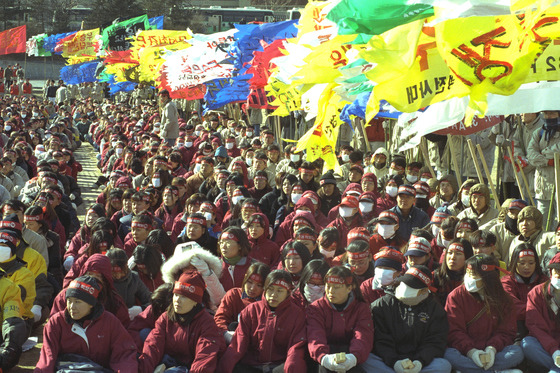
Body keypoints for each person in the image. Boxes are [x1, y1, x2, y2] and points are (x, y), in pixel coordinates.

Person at [36, 275, 138, 372]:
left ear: (91, 304)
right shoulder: (56, 323)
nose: (72, 306)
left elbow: (124, 354)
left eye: (77, 302)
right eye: (69, 301)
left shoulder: (110, 322)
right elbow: (47, 357)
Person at [363, 265, 452, 372]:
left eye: (412, 286)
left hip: (420, 363)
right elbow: (380, 340)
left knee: (443, 365)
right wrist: (394, 362)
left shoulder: (435, 310)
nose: (405, 287)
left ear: (424, 291)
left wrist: (419, 362)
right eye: (405, 283)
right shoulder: (381, 305)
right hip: (389, 361)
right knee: (367, 360)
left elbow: (435, 342)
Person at [444, 254, 524, 373]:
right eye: (468, 273)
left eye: (474, 275)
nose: (469, 278)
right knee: (448, 354)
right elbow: (454, 331)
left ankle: (473, 370)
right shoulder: (455, 296)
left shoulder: (504, 298)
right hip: (465, 351)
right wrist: (472, 352)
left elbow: (506, 331)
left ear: (487, 278)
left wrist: (492, 349)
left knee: (517, 353)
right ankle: (494, 371)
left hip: (494, 352)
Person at [218, 270, 307, 373]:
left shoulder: (296, 314)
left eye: (279, 291)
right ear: (265, 289)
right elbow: (238, 344)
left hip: (279, 365)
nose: (273, 295)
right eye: (271, 289)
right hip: (252, 364)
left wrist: (291, 367)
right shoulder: (251, 310)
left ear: (288, 293)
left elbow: (296, 348)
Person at [138, 270, 225, 372]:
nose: (177, 300)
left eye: (184, 297)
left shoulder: (207, 324)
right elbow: (153, 345)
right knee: (145, 334)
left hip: (190, 367)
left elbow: (204, 359)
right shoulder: (166, 317)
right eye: (176, 295)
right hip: (169, 360)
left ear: (195, 301)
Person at [307, 266, 374, 372]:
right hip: (326, 355)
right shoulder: (316, 308)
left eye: (336, 287)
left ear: (349, 288)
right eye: (328, 286)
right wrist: (324, 358)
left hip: (351, 354)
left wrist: (354, 357)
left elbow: (363, 335)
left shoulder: (361, 308)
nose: (330, 291)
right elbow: (315, 335)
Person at [214, 262, 270, 343]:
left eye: (259, 285)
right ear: (245, 278)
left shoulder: (267, 302)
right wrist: (227, 334)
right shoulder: (234, 294)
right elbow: (220, 319)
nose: (252, 288)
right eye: (250, 282)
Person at [501, 243, 547, 342]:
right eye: (522, 263)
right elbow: (512, 305)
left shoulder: (544, 281)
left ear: (536, 263)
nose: (526, 267)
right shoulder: (506, 281)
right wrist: (537, 313)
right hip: (516, 326)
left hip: (542, 325)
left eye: (531, 263)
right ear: (514, 263)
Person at [523, 252, 560, 372]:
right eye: (556, 271)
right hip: (544, 343)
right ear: (551, 272)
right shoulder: (536, 293)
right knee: (527, 344)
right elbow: (535, 326)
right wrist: (554, 350)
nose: (559, 276)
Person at [432, 239, 474, 306]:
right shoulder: (434, 277)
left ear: (467, 258)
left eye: (458, 253)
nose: (452, 257)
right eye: (450, 253)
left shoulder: (474, 279)